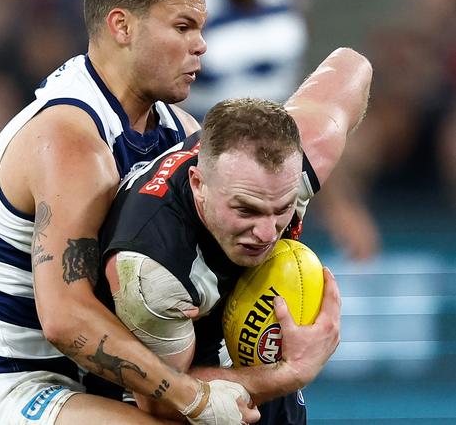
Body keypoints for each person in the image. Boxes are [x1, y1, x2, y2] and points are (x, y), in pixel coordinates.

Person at [0, 0, 260, 425]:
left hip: (83, 384)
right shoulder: (70, 141)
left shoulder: (180, 132)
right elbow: (65, 319)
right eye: (183, 27)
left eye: (201, 29)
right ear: (122, 26)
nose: (200, 46)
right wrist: (191, 397)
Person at [99, 47, 372, 424]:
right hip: (142, 380)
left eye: (281, 209)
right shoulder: (154, 272)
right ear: (199, 184)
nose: (266, 233)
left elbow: (351, 66)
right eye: (246, 210)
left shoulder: (307, 151)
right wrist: (295, 371)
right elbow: (162, 400)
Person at [179, 0, 380, 261]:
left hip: (277, 187)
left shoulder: (288, 0)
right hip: (201, 190)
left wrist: (342, 206)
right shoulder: (183, 5)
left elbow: (300, 111)